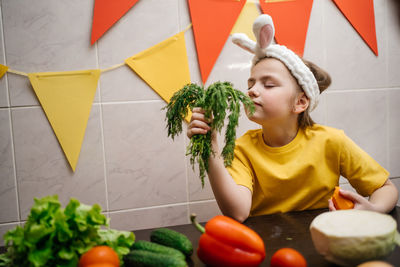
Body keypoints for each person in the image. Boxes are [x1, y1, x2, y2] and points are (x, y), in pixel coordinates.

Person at [187, 15, 398, 222]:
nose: (251, 91)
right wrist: (211, 147)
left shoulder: (332, 142)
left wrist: (373, 210)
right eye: (251, 84)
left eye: (268, 84)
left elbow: (384, 188)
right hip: (266, 249)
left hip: (323, 241)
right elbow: (238, 212)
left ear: (300, 103)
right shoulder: (241, 150)